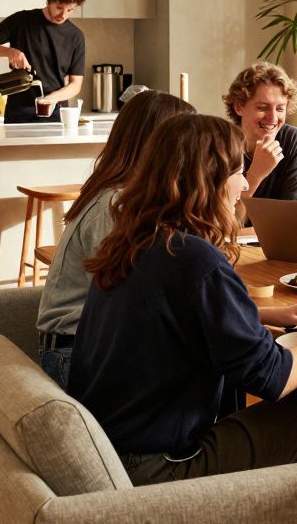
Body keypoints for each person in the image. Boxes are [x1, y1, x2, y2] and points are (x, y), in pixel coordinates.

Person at [67, 113, 297, 484]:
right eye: (238, 172)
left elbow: (170, 320)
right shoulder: (194, 260)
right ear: (208, 181)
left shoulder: (135, 241)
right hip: (158, 465)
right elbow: (272, 378)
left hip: (112, 448)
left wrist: (262, 315)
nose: (244, 184)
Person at [35, 90, 195, 388]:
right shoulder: (115, 207)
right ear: (159, 145)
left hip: (89, 344)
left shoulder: (125, 197)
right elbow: (133, 303)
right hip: (75, 354)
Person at [0, 0, 87, 123]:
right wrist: (9, 52)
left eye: (70, 10)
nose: (63, 15)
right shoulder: (21, 21)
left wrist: (52, 98)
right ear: (49, 0)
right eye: (59, 8)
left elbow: (75, 85)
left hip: (54, 111)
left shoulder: (76, 36)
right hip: (19, 111)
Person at [222, 63, 297, 202]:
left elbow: (296, 213)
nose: (273, 118)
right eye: (263, 107)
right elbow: (224, 217)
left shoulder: (292, 140)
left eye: (280, 109)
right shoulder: (220, 144)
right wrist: (255, 174)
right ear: (239, 107)